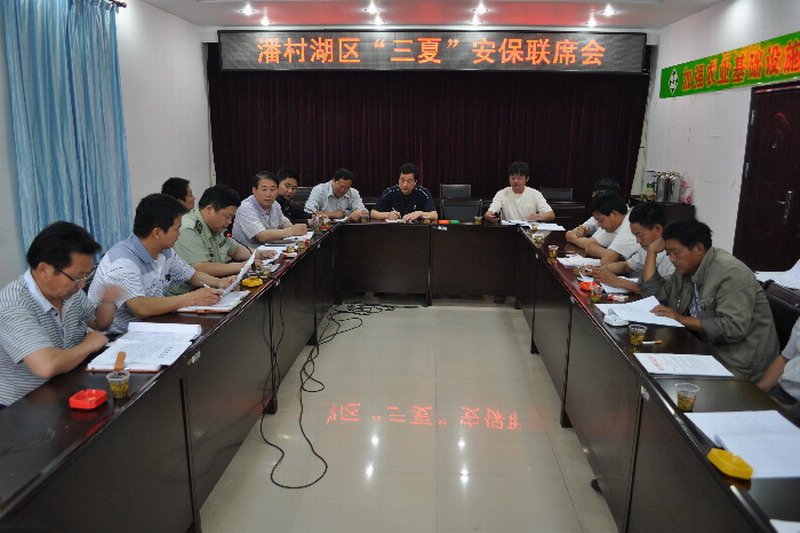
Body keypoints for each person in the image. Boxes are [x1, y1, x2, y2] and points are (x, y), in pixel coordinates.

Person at [641, 218, 778, 382]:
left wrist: (680, 319)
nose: (672, 259)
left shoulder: (731, 273)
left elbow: (732, 328)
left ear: (699, 248)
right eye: (668, 253)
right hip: (702, 346)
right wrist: (651, 252)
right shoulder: (686, 269)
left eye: (676, 252)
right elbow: (654, 297)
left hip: (738, 359)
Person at [0, 222, 118, 407]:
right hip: (22, 405)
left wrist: (108, 301)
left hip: (66, 386)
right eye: (77, 277)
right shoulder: (13, 304)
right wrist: (89, 344)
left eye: (86, 276)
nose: (82, 285)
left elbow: (99, 323)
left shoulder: (69, 293)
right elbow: (46, 366)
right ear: (44, 269)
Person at [88, 193, 233, 335]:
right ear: (157, 233)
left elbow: (192, 275)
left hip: (151, 325)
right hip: (113, 338)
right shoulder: (122, 262)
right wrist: (192, 298)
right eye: (176, 229)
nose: (179, 234)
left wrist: (219, 283)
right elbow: (140, 308)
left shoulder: (165, 251)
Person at [171, 184, 277, 294]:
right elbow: (199, 267)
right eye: (227, 216)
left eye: (232, 217)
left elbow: (235, 249)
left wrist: (259, 254)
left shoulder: (216, 227)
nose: (229, 222)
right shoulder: (188, 228)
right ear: (209, 209)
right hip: (185, 294)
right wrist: (243, 266)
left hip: (211, 287)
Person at [589, 202, 674, 293]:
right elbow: (627, 266)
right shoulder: (647, 247)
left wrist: (617, 281)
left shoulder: (674, 254)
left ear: (658, 229)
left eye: (640, 235)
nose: (638, 241)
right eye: (635, 236)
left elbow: (660, 291)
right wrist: (599, 271)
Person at [232, 170, 308, 248]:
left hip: (272, 248)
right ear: (254, 190)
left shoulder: (275, 204)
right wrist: (291, 231)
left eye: (272, 190)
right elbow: (261, 236)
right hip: (250, 252)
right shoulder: (246, 207)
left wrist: (295, 229)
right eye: (264, 189)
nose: (268, 194)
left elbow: (284, 223)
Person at [566, 192, 639, 265]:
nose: (599, 225)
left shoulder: (631, 223)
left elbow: (606, 261)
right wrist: (609, 253)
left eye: (600, 220)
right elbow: (590, 245)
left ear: (614, 214)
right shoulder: (614, 225)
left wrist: (608, 254)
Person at [484, 161, 555, 223]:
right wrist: (489, 216)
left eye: (519, 178)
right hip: (508, 230)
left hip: (528, 230)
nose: (515, 181)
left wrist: (538, 216)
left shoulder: (535, 194)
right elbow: (490, 212)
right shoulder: (501, 194)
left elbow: (551, 215)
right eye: (513, 178)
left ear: (527, 178)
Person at [758, 317, 800, 419]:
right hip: (780, 391)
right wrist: (757, 392)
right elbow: (785, 359)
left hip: (795, 407)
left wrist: (783, 409)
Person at [371, 163, 438, 222]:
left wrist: (419, 214)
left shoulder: (423, 192)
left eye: (409, 181)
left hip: (416, 229)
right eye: (402, 180)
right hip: (394, 229)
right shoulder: (390, 192)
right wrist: (387, 215)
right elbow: (373, 213)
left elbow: (434, 215)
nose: (405, 184)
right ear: (398, 179)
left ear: (415, 182)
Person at [565, 178, 623, 243]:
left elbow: (592, 244)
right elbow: (572, 233)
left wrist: (573, 238)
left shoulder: (618, 217)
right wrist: (581, 231)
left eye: (601, 197)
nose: (599, 224)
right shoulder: (601, 212)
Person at [304, 168, 369, 222]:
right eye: (341, 187)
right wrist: (334, 214)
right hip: (323, 226)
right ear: (333, 181)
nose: (343, 190)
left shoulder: (353, 192)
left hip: (346, 227)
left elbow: (365, 213)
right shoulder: (319, 190)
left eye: (347, 188)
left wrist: (358, 213)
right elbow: (309, 212)